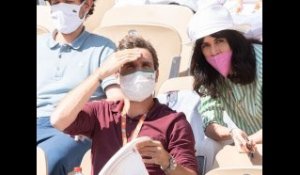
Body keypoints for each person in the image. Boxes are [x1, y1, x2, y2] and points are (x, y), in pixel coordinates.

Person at [50, 34, 199, 175]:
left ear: (156, 74)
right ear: (117, 75)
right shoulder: (101, 112)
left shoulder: (174, 122)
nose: (138, 72)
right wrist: (99, 75)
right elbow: (58, 120)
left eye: (145, 65)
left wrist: (167, 162)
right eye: (130, 67)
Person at [37, 0, 123, 174]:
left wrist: (93, 125)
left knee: (50, 158)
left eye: (68, 1)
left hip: (74, 126)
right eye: (55, 2)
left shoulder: (104, 48)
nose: (61, 7)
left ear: (87, 5)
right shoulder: (38, 45)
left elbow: (116, 100)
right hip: (39, 120)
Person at [187, 3, 262, 171]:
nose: (213, 51)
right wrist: (233, 133)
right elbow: (210, 122)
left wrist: (250, 141)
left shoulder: (261, 60)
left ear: (233, 40)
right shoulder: (208, 72)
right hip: (251, 150)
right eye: (205, 45)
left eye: (219, 41)